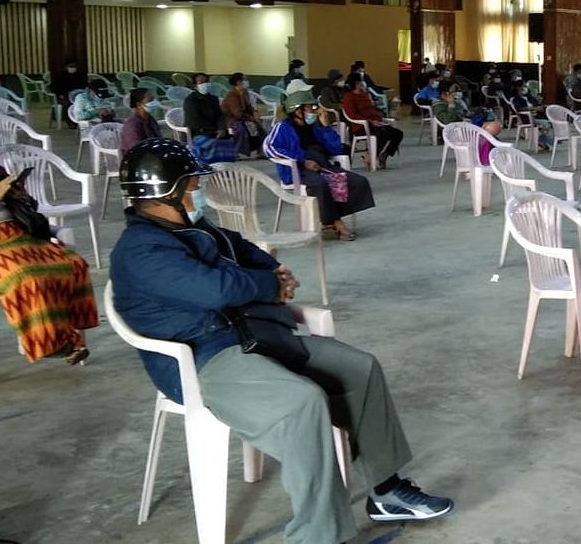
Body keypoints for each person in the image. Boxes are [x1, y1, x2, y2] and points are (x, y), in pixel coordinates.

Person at [111, 138, 451, 544]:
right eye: (192, 184)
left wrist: (275, 272)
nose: (198, 191)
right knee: (302, 403)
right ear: (167, 191)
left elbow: (242, 250)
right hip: (203, 357)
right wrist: (268, 286)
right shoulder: (141, 251)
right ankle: (318, 536)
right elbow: (218, 289)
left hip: (252, 333)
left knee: (361, 369)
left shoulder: (193, 228)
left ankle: (386, 491)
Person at [0, 118, 95, 364]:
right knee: (25, 277)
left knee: (74, 264)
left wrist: (21, 197)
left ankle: (70, 333)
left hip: (18, 236)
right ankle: (50, 342)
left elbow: (28, 207)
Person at [264, 91, 376, 240]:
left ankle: (328, 220)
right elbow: (268, 148)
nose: (314, 111)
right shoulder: (282, 127)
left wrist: (325, 127)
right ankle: (336, 222)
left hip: (322, 165)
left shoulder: (315, 127)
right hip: (298, 170)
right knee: (321, 184)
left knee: (358, 182)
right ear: (298, 111)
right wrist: (302, 161)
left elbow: (336, 148)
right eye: (310, 108)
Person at [342, 73, 403, 169]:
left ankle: (384, 155)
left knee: (398, 134)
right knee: (383, 132)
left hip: (375, 122)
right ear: (357, 83)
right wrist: (370, 121)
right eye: (361, 81)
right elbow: (352, 115)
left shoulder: (364, 94)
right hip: (361, 126)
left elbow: (371, 109)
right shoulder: (349, 97)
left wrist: (380, 119)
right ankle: (370, 156)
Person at [432, 80, 500, 163]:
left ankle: (491, 155)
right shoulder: (438, 105)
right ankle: (484, 158)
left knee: (492, 129)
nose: (455, 93)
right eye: (453, 91)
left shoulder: (457, 101)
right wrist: (451, 105)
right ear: (445, 93)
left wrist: (477, 112)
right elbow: (447, 120)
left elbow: (465, 113)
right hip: (454, 131)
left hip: (466, 126)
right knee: (488, 132)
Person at [184, 73, 238, 163]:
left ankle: (226, 167)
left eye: (207, 82)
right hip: (199, 133)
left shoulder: (213, 99)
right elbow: (194, 121)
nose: (205, 84)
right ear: (194, 86)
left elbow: (220, 116)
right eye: (202, 83)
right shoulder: (191, 100)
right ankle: (211, 167)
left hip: (216, 131)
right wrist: (213, 131)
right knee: (214, 143)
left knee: (229, 142)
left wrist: (221, 128)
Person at [221, 72, 265, 158]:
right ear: (238, 82)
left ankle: (260, 151)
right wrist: (252, 118)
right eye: (245, 79)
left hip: (243, 118)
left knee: (259, 127)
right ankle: (236, 151)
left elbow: (248, 107)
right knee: (241, 129)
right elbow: (237, 113)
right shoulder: (232, 95)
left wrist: (254, 113)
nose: (246, 81)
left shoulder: (243, 93)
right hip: (232, 120)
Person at [120, 88, 163, 157]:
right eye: (150, 101)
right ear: (138, 105)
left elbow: (159, 139)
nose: (154, 102)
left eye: (153, 99)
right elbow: (136, 150)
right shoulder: (132, 126)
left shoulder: (150, 119)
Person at [49, 59, 87, 128]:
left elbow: (84, 85)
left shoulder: (78, 76)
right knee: (69, 105)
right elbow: (53, 87)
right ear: (67, 67)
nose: (73, 68)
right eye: (71, 66)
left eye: (74, 66)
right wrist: (60, 94)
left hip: (77, 96)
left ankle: (82, 121)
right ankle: (71, 122)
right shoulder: (61, 76)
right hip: (64, 96)